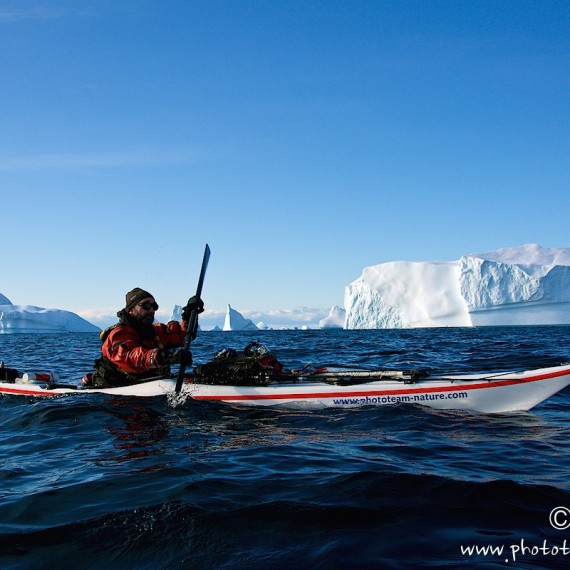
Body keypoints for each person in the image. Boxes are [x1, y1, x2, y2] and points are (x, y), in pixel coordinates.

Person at [83, 287, 204, 388]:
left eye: (154, 306)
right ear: (131, 310)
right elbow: (130, 356)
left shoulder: (156, 331)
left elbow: (182, 335)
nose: (151, 309)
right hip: (118, 394)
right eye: (145, 305)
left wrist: (189, 314)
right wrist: (164, 357)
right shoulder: (118, 334)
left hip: (150, 384)